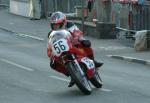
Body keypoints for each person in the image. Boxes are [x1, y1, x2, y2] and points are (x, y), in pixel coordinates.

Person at [47, 11, 103, 87]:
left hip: (74, 44)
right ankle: (72, 74)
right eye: (54, 26)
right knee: (53, 64)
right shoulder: (51, 34)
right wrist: (51, 53)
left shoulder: (69, 25)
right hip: (62, 51)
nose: (56, 27)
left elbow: (77, 32)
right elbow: (50, 45)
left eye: (57, 25)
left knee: (86, 44)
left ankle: (93, 60)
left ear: (63, 22)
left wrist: (80, 39)